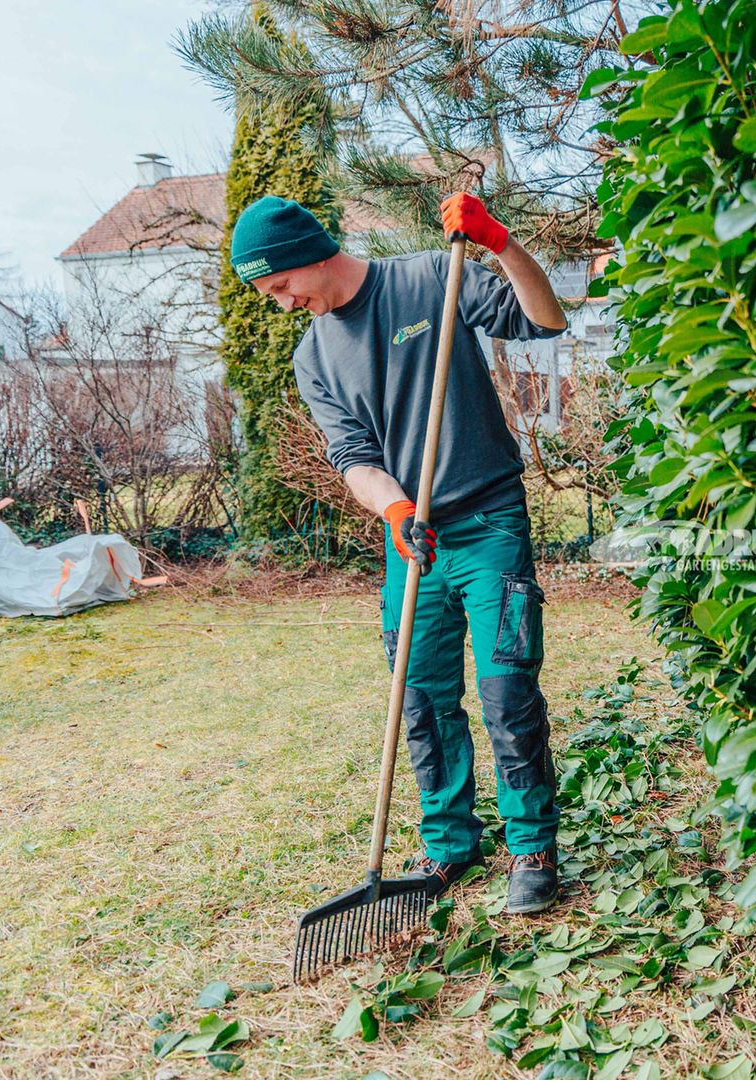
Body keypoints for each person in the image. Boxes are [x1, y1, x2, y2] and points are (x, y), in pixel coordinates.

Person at [228, 191, 567, 913]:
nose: (283, 303)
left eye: (281, 285)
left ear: (306, 255)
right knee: (421, 697)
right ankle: (450, 846)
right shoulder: (313, 355)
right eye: (269, 295)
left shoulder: (429, 280)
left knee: (508, 691)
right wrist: (397, 509)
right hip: (412, 539)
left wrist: (499, 243)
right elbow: (353, 457)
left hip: (489, 520)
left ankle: (532, 844)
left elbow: (546, 319)